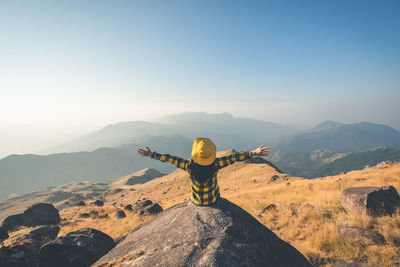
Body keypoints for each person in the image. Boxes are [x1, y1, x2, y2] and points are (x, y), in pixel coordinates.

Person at [137, 137, 270, 206]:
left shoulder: (189, 165)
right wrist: (253, 152)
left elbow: (171, 159)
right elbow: (234, 158)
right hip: (213, 200)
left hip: (196, 201)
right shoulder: (216, 164)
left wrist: (152, 154)